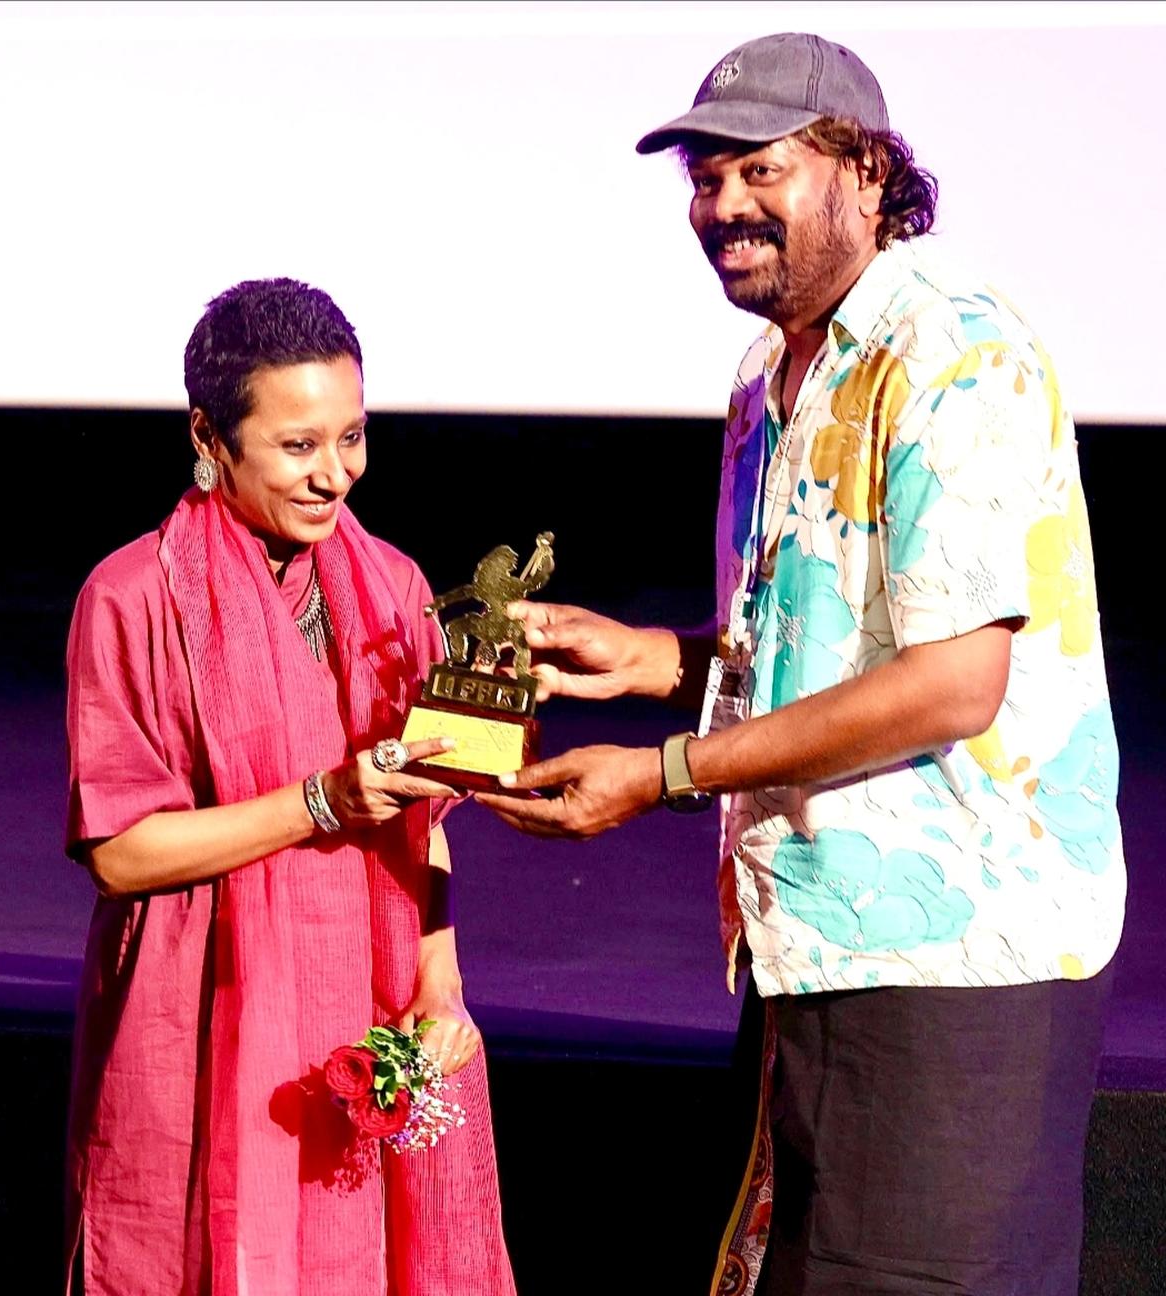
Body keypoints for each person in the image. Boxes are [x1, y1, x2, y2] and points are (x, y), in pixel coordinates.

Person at [477, 32, 1124, 1296]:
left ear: (868, 174)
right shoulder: (767, 379)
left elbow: (952, 683)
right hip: (808, 939)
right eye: (704, 180)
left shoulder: (955, 352)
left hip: (955, 954)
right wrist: (665, 659)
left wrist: (666, 773)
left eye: (758, 170)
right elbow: (828, 642)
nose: (721, 207)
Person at [63, 278, 515, 1296]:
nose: (334, 476)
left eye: (351, 438)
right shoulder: (132, 598)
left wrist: (440, 992)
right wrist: (318, 804)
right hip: (203, 1007)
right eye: (298, 446)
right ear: (210, 438)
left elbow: (426, 817)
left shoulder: (394, 588)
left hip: (363, 1003)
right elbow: (121, 853)